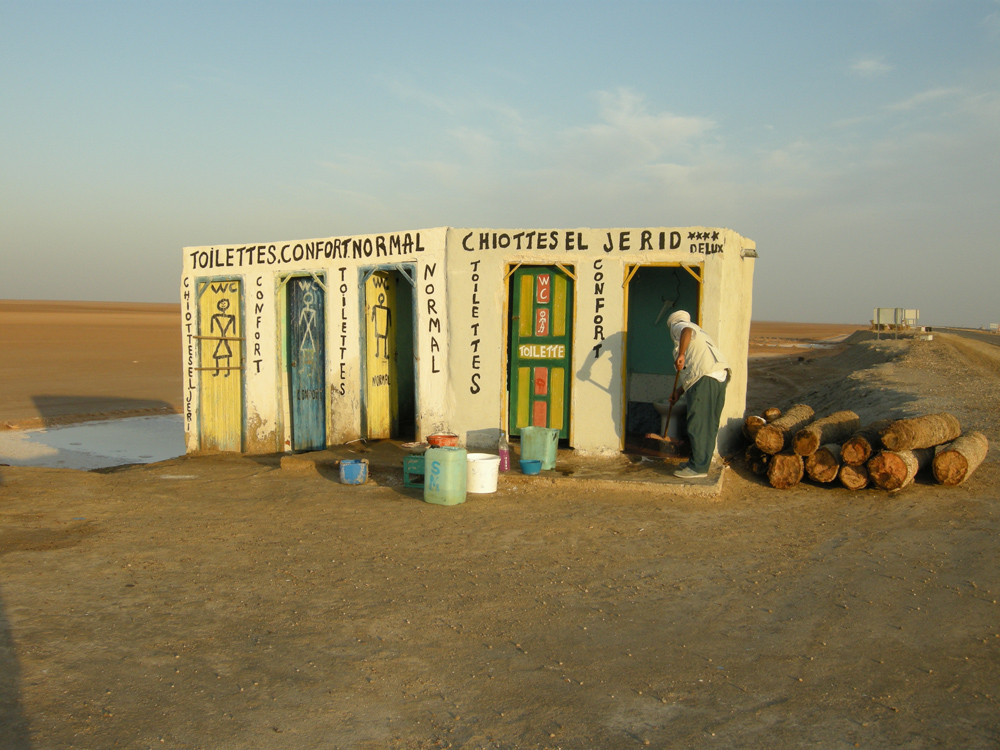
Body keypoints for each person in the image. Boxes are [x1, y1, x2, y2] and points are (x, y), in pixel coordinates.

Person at [663, 310, 731, 478]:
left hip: (705, 377)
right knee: (710, 422)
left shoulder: (679, 327)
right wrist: (679, 391)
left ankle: (697, 468)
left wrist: (681, 354)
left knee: (698, 422)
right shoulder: (701, 333)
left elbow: (686, 331)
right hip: (719, 374)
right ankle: (700, 462)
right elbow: (694, 372)